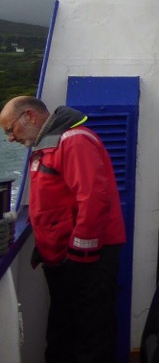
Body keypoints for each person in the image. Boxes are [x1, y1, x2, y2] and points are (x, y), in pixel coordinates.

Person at [0, 96, 126, 363]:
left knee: (90, 336)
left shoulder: (74, 141)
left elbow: (93, 199)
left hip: (86, 262)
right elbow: (54, 204)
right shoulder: (48, 145)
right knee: (62, 334)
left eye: (10, 130)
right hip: (63, 261)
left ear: (30, 117)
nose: (10, 138)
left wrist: (80, 256)